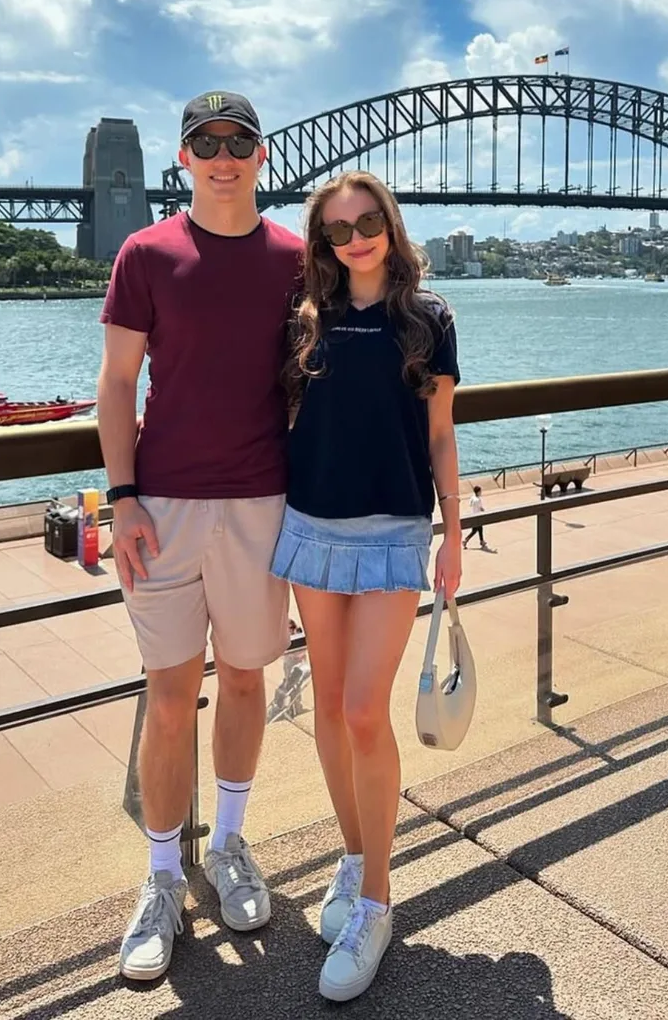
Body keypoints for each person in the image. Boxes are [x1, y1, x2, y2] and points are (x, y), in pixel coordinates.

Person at [97, 91, 303, 982]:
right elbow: (115, 386)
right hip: (164, 508)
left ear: (261, 155)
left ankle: (226, 844)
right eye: (204, 143)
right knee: (170, 694)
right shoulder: (145, 253)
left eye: (238, 141)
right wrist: (122, 497)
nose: (222, 156)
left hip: (264, 502)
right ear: (182, 159)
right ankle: (159, 878)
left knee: (248, 681)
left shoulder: (299, 259)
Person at [271, 170, 462, 1001]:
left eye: (367, 222)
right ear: (322, 243)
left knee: (360, 709)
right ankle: (355, 859)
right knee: (324, 709)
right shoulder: (304, 320)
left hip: (390, 528)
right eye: (337, 230)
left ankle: (378, 901)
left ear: (389, 224)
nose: (355, 239)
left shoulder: (427, 319)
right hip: (310, 524)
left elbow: (442, 434)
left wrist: (453, 533)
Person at [463, 484, 487, 549]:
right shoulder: (478, 500)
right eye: (480, 491)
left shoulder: (473, 497)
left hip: (473, 515)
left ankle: (481, 541)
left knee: (479, 529)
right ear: (478, 492)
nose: (481, 492)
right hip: (477, 516)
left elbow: (470, 504)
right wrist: (484, 511)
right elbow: (481, 508)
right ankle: (466, 540)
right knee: (475, 530)